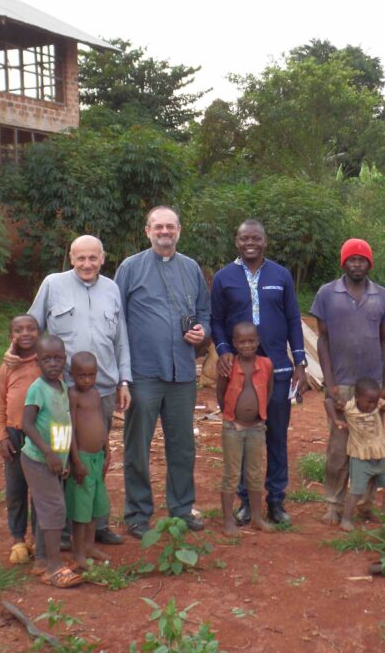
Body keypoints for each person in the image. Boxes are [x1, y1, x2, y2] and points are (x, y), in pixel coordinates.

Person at [28, 234, 131, 546]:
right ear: (71, 258)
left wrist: (124, 381)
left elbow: (120, 340)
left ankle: (96, 524)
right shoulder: (53, 284)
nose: (87, 264)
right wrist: (16, 362)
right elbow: (30, 326)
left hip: (101, 394)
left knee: (95, 456)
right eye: (81, 258)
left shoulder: (112, 288)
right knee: (61, 458)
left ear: (102, 258)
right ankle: (59, 531)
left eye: (93, 258)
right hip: (62, 395)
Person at [115, 205, 211, 538]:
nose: (165, 232)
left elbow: (204, 312)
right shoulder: (130, 268)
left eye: (170, 227)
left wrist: (202, 331)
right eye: (158, 227)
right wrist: (122, 374)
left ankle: (182, 509)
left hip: (182, 373)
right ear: (147, 231)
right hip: (143, 373)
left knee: (182, 445)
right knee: (138, 446)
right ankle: (138, 514)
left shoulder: (191, 268)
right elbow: (116, 319)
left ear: (179, 230)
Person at [211, 219, 307, 526]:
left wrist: (301, 363)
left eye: (255, 238)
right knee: (243, 436)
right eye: (243, 238)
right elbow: (215, 320)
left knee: (276, 437)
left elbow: (293, 318)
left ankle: (276, 501)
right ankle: (245, 502)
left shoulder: (281, 275)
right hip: (240, 372)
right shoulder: (224, 277)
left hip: (278, 368)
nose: (249, 243)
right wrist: (224, 350)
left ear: (265, 242)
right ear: (236, 242)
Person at [310, 238, 385, 525]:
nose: (357, 264)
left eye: (362, 260)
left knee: (371, 446)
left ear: (369, 263)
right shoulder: (327, 294)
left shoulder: (383, 296)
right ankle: (334, 505)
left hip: (371, 386)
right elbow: (322, 340)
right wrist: (329, 381)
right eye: (352, 259)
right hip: (341, 383)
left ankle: (365, 504)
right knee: (339, 447)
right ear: (344, 263)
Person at [20, 336, 81, 588]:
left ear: (64, 359)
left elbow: (64, 425)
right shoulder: (38, 388)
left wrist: (67, 458)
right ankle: (54, 567)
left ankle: (43, 560)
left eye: (58, 358)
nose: (53, 363)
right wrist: (47, 452)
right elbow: (26, 423)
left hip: (56, 460)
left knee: (47, 510)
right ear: (38, 361)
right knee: (54, 509)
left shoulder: (63, 386)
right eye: (47, 359)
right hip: (37, 459)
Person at [216, 322, 275, 536]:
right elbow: (220, 394)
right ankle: (228, 520)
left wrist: (258, 416)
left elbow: (269, 391)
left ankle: (257, 517)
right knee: (231, 473)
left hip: (256, 427)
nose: (247, 345)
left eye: (251, 341)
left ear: (258, 341)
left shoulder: (267, 364)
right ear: (234, 344)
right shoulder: (228, 365)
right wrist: (233, 415)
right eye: (242, 342)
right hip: (233, 426)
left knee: (255, 473)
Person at [0, 314, 41, 564]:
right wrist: (2, 436)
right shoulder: (7, 367)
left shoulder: (47, 363)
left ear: (39, 333)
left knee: (41, 489)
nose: (25, 333)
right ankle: (18, 538)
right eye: (19, 329)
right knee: (16, 489)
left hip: (42, 437)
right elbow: (0, 402)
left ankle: (40, 540)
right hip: (14, 434)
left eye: (31, 328)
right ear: (11, 337)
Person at [331, 377, 385, 531]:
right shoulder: (349, 408)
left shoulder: (377, 406)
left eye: (375, 401)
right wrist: (336, 419)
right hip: (360, 459)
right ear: (357, 398)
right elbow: (328, 402)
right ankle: (346, 520)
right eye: (369, 401)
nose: (372, 405)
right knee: (356, 491)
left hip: (381, 456)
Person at [65, 351, 113, 568]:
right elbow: (71, 429)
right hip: (83, 458)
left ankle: (90, 545)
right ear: (72, 374)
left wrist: (107, 450)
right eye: (82, 376)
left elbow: (101, 421)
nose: (87, 380)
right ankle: (78, 552)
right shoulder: (73, 395)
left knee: (94, 505)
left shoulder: (95, 394)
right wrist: (76, 461)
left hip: (98, 457)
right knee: (81, 510)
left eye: (91, 375)